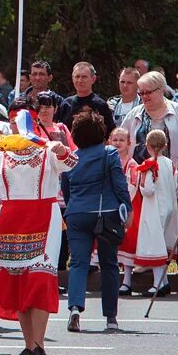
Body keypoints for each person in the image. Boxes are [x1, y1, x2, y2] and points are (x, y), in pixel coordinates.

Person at [0, 110, 78, 355]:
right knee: (18, 281)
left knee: (38, 278)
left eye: (20, 122)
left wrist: (60, 150)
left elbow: (71, 163)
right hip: (9, 219)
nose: (16, 127)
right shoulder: (0, 154)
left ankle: (39, 343)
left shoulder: (46, 150)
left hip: (42, 218)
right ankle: (30, 345)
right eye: (12, 122)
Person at [122, 71, 178, 276]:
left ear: (161, 90)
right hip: (143, 176)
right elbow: (122, 137)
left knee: (177, 213)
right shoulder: (135, 113)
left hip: (172, 173)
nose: (145, 97)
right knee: (145, 220)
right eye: (142, 93)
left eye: (149, 92)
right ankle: (145, 261)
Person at [61, 111, 131, 332]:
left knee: (78, 263)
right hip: (107, 212)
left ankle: (74, 308)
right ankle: (110, 317)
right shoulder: (110, 154)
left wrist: (74, 209)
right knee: (109, 263)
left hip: (77, 213)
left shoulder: (72, 157)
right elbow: (120, 185)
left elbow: (66, 188)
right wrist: (126, 209)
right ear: (102, 133)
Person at [118, 129, 178, 296]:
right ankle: (164, 282)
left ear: (147, 146)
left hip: (154, 208)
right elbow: (175, 182)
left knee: (155, 244)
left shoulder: (150, 165)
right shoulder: (170, 163)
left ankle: (158, 283)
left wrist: (144, 184)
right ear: (165, 145)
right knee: (162, 243)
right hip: (169, 206)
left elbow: (148, 190)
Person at [57, 62, 116, 135]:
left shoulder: (101, 105)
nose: (80, 80)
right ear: (72, 79)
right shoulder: (66, 104)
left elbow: (110, 134)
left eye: (84, 77)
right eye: (77, 76)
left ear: (93, 79)